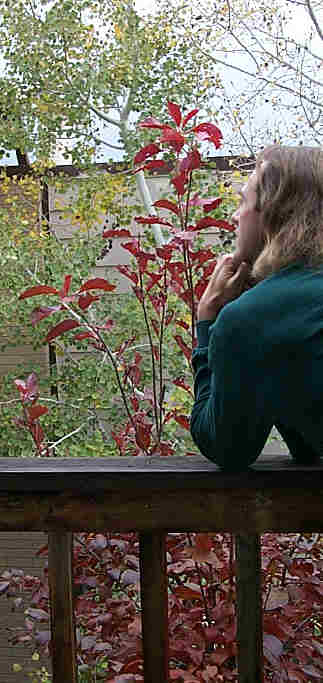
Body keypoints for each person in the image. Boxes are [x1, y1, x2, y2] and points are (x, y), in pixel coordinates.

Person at [190, 145, 323, 471]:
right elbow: (307, 444)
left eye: (243, 201)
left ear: (274, 214)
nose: (236, 216)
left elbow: (227, 448)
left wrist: (209, 320)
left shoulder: (253, 318)